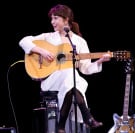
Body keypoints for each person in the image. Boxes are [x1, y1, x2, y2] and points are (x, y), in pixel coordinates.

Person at [19, 4, 111, 133]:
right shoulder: (48, 37)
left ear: (66, 19)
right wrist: (42, 51)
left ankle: (61, 126)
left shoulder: (79, 42)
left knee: (72, 80)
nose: (52, 22)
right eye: (52, 19)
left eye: (55, 18)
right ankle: (87, 117)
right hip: (51, 81)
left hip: (69, 82)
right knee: (71, 76)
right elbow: (23, 41)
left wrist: (100, 61)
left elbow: (85, 68)